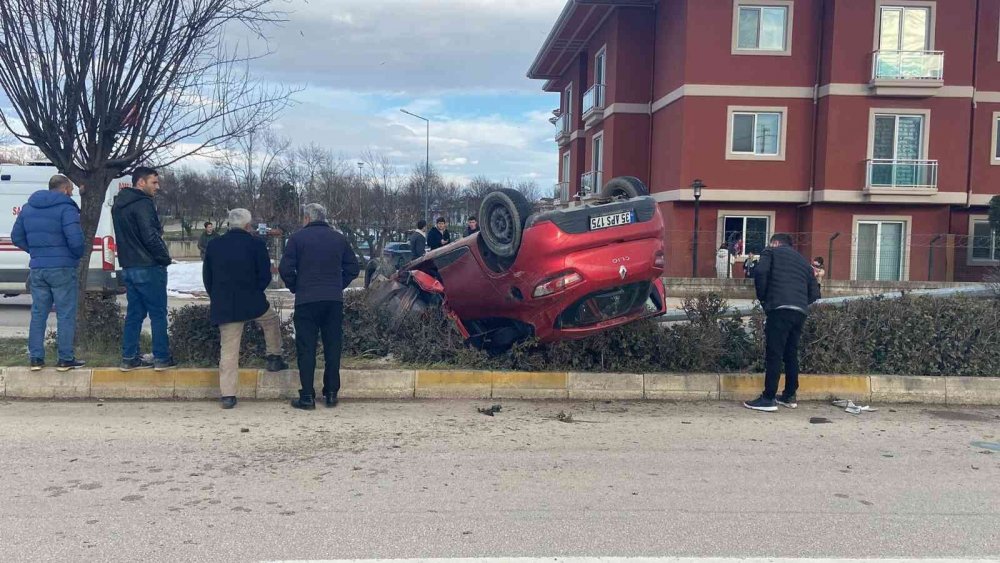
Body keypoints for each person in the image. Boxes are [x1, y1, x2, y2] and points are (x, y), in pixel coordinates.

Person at [203, 208, 288, 409]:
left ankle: (228, 395)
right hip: (252, 302)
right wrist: (255, 292)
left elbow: (208, 277)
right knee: (271, 321)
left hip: (225, 304)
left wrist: (216, 296)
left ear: (229, 224)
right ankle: (274, 356)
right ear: (248, 226)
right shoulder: (256, 244)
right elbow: (265, 276)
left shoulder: (214, 245)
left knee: (229, 350)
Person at [279, 203, 360, 410]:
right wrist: (338, 284)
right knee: (333, 346)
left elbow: (285, 268)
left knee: (306, 348)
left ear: (307, 218)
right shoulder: (339, 238)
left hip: (306, 300)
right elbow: (353, 267)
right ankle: (331, 393)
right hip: (333, 300)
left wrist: (296, 286)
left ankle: (307, 396)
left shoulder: (297, 239)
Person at [11, 174, 86, 372]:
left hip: (38, 268)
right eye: (70, 189)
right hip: (62, 268)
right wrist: (75, 256)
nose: (71, 193)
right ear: (64, 189)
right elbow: (76, 241)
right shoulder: (67, 208)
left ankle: (36, 359)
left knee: (38, 314)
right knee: (65, 314)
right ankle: (65, 359)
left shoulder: (28, 208)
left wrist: (35, 251)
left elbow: (16, 237)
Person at [744, 233, 821, 412]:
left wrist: (764, 299)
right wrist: (800, 302)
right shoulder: (803, 262)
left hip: (779, 308)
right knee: (790, 353)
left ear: (775, 243)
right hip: (800, 311)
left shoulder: (770, 252)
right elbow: (815, 292)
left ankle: (768, 398)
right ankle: (789, 395)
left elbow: (761, 272)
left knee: (774, 353)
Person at [112, 166, 176, 372]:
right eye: (154, 182)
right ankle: (161, 357)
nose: (157, 187)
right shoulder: (143, 204)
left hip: (129, 265)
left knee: (134, 314)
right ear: (141, 182)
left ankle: (129, 357)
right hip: (149, 266)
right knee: (158, 313)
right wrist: (164, 257)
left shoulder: (119, 205)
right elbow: (150, 236)